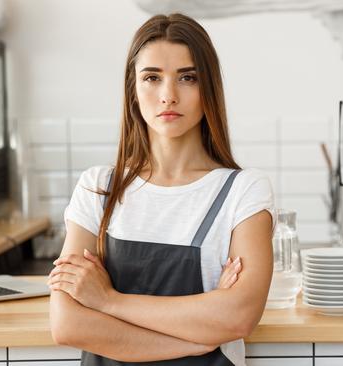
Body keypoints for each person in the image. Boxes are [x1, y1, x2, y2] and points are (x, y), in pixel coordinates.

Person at [48, 13, 275, 366]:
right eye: (152, 77)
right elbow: (68, 324)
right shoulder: (98, 188)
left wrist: (107, 301)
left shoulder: (243, 191)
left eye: (187, 77)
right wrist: (198, 340)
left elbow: (239, 317)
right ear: (133, 90)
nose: (168, 96)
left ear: (208, 88)